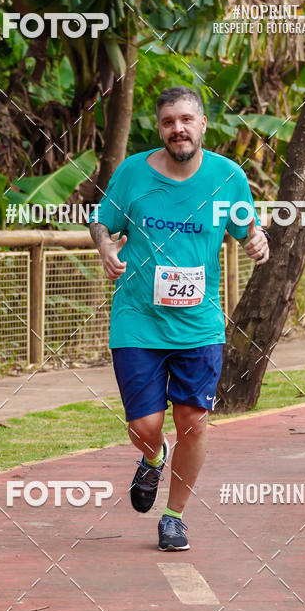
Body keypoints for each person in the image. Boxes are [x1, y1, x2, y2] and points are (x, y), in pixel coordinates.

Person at [89, 86, 269, 551]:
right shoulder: (133, 173)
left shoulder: (227, 177)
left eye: (186, 119)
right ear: (160, 128)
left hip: (199, 324)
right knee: (145, 427)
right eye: (169, 121)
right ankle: (152, 456)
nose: (178, 129)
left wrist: (257, 240)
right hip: (138, 320)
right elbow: (101, 220)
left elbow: (249, 227)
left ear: (203, 124)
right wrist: (107, 245)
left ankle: (174, 517)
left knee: (194, 422)